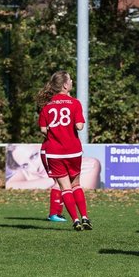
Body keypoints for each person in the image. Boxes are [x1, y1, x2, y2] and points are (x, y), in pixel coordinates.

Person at [37, 70, 91, 230]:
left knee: (65, 188)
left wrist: (56, 132)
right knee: (76, 185)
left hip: (54, 152)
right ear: (66, 85)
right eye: (71, 80)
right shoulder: (75, 103)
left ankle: (75, 220)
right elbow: (79, 126)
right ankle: (85, 217)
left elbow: (43, 130)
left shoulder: (46, 106)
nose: (72, 81)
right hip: (73, 150)